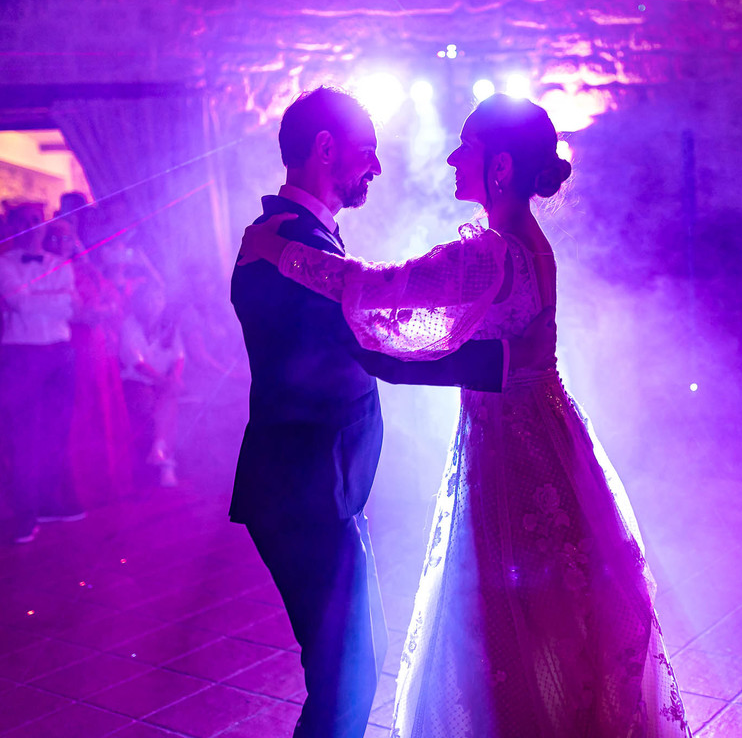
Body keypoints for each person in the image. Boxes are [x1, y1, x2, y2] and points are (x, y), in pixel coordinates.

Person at [239, 93, 690, 737]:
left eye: (465, 148)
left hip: (507, 450)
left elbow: (383, 294)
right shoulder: (528, 243)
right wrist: (504, 360)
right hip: (543, 435)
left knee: (509, 625)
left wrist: (282, 253)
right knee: (552, 622)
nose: (451, 158)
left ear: (500, 167)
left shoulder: (488, 252)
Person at [229, 87, 555, 738]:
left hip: (325, 485)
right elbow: (374, 338)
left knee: (356, 665)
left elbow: (372, 306)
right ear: (326, 149)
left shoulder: (290, 240)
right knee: (346, 676)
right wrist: (506, 365)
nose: (377, 167)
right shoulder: (285, 240)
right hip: (303, 489)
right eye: (368, 151)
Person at [0, 204, 83, 543]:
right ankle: (25, 514)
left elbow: (68, 308)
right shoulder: (1, 264)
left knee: (56, 432)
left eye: (36, 221)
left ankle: (48, 502)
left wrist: (38, 298)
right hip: (23, 354)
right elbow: (20, 303)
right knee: (25, 435)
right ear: (13, 228)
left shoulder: (62, 264)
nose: (31, 227)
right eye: (24, 222)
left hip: (60, 352)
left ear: (44, 227)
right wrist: (55, 298)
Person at [45, 217, 132, 504]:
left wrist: (101, 310)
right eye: (55, 238)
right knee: (79, 413)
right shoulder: (48, 271)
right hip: (70, 347)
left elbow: (113, 301)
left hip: (98, 346)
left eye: (67, 238)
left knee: (104, 410)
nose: (62, 244)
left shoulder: (87, 269)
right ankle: (83, 485)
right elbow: (73, 312)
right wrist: (91, 313)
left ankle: (110, 480)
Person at [119, 281, 184, 488]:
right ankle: (165, 461)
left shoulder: (169, 325)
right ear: (139, 302)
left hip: (163, 381)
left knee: (170, 397)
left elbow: (179, 356)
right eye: (148, 299)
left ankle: (161, 453)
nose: (153, 304)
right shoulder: (129, 325)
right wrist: (164, 381)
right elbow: (136, 362)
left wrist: (175, 377)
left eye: (158, 298)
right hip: (136, 381)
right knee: (152, 400)